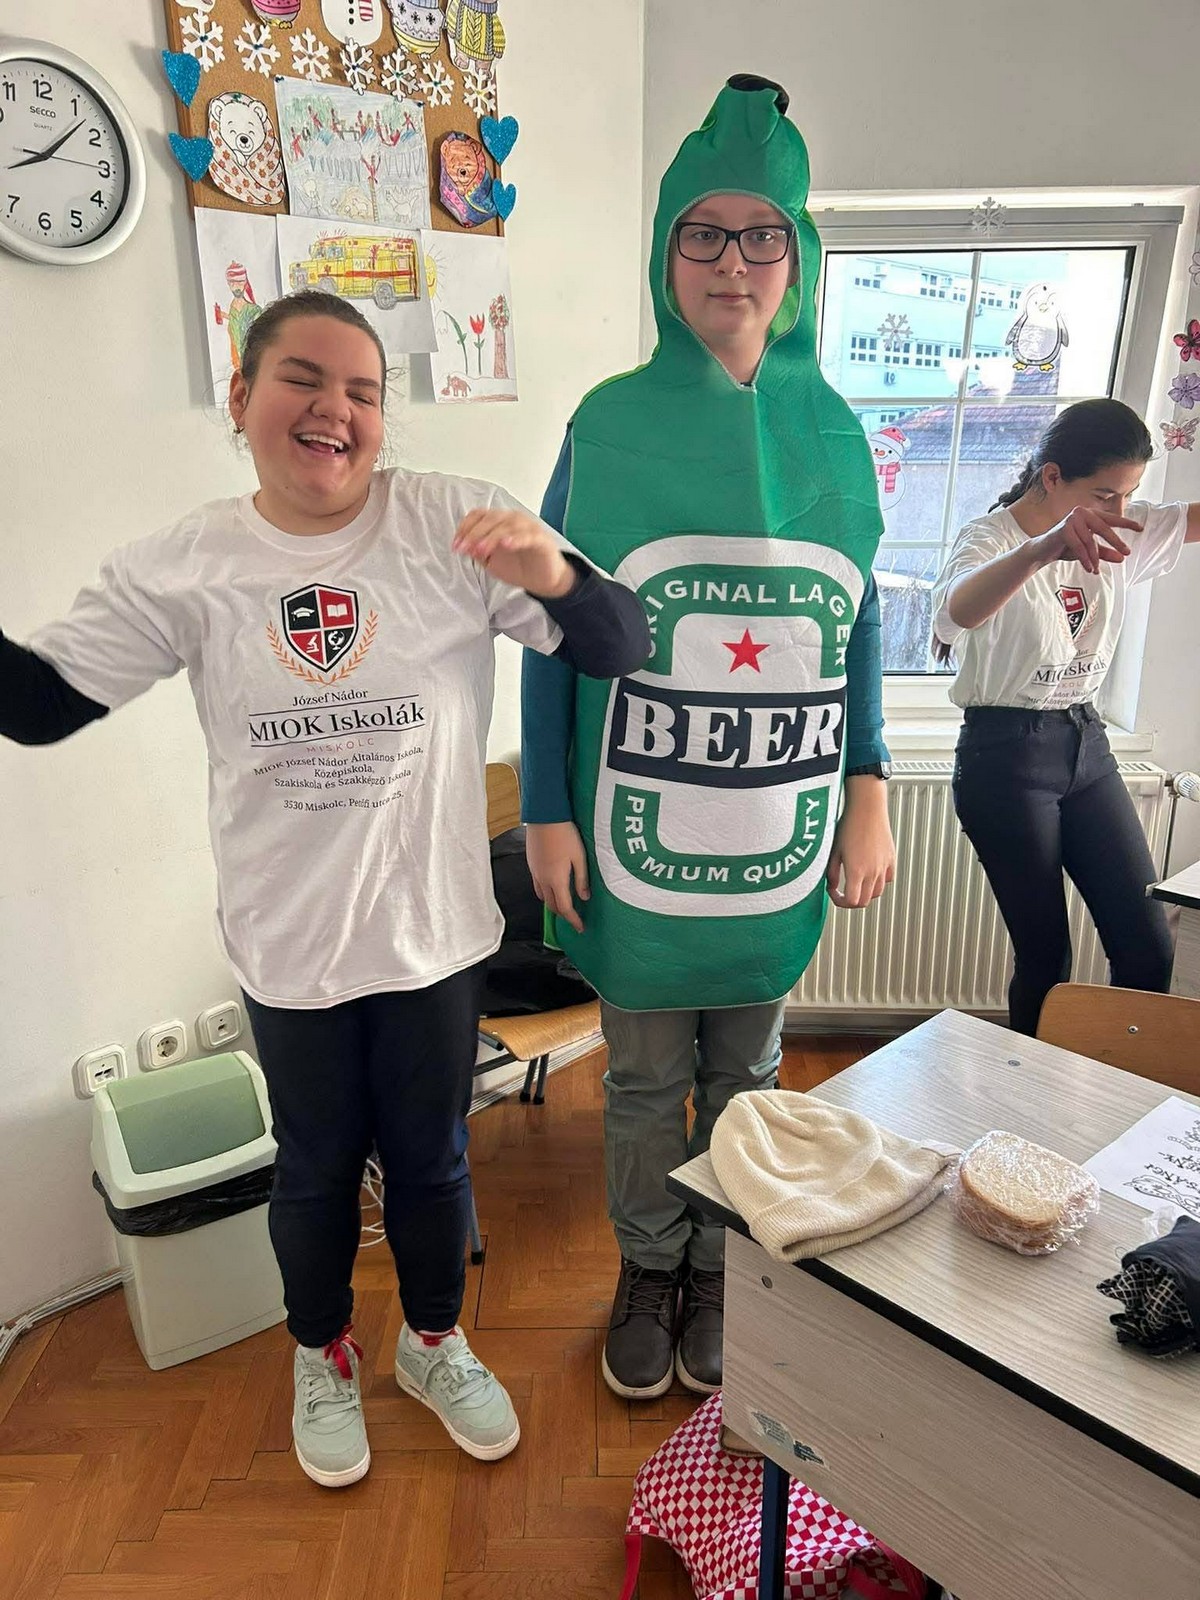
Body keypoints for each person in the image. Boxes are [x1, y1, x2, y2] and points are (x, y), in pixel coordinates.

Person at [0, 291, 650, 1485]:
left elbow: (623, 643)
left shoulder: (453, 521)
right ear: (241, 396)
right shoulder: (187, 564)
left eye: (363, 390)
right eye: (303, 378)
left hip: (432, 936)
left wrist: (556, 574)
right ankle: (323, 1352)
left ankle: (434, 1344)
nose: (334, 409)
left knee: (433, 1163)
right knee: (313, 1172)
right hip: (288, 946)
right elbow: (39, 704)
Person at [520, 77, 894, 1400]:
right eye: (705, 233)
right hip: (638, 830)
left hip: (777, 826)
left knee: (750, 1068)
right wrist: (546, 807)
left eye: (762, 234)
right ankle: (650, 1263)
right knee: (640, 1079)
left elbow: (856, 621)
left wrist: (870, 786)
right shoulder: (607, 421)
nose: (733, 261)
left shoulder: (836, 432)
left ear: (800, 259)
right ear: (665, 253)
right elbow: (550, 618)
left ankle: (724, 1263)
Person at [931, 397, 1200, 1036]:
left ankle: (1123, 1085)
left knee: (1147, 945)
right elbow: (955, 612)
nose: (1119, 510)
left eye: (1129, 495)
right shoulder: (990, 538)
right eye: (1105, 495)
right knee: (1046, 959)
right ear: (1051, 477)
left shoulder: (1120, 528)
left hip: (1086, 744)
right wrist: (1043, 549)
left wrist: (1111, 514)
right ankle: (1034, 1092)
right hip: (1005, 757)